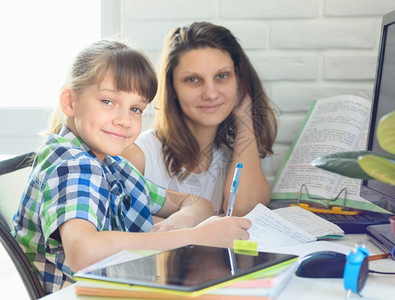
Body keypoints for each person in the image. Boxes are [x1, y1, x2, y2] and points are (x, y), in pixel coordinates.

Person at [12, 40, 251, 294]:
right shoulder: (72, 164)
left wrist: (181, 221)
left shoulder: (112, 166)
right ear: (70, 102)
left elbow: (197, 203)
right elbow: (84, 251)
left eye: (136, 108)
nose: (124, 120)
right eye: (108, 101)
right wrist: (194, 237)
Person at [121, 22, 278, 216]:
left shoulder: (233, 156)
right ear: (172, 87)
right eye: (193, 79)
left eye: (222, 76)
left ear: (239, 80)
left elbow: (247, 213)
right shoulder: (138, 156)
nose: (211, 94)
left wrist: (245, 118)